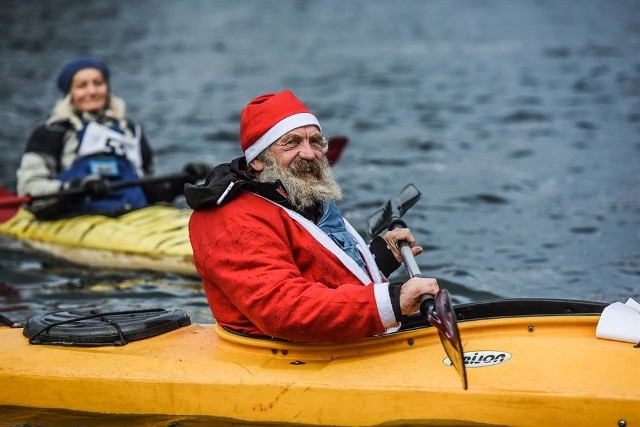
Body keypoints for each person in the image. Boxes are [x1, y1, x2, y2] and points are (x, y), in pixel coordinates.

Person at [185, 90, 440, 344]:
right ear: (258, 161)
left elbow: (317, 272)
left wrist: (380, 256)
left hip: (330, 343)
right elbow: (283, 309)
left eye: (315, 142)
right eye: (292, 143)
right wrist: (394, 300)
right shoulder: (231, 218)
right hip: (278, 357)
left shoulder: (300, 196)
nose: (309, 154)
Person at [16, 56, 209, 220]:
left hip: (135, 214)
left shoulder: (130, 131)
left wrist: (181, 181)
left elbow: (147, 189)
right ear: (70, 94)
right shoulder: (51, 133)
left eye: (98, 83)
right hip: (76, 217)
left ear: (107, 88)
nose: (92, 91)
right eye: (82, 86)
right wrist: (74, 188)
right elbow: (29, 189)